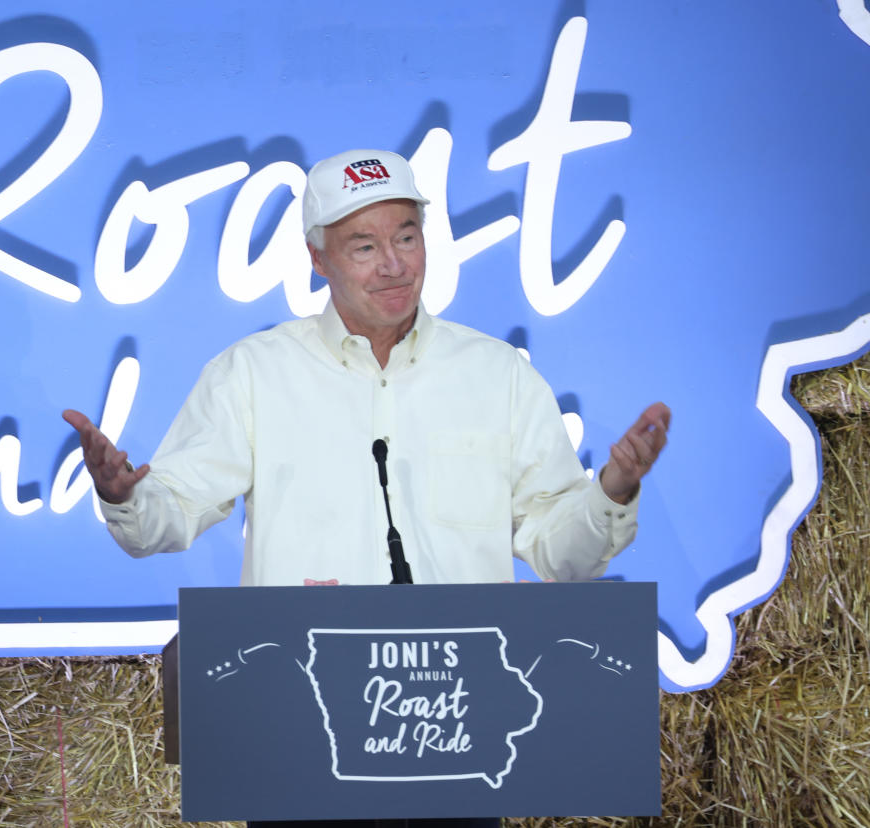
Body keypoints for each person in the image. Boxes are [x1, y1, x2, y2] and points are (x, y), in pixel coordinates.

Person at [63, 149, 669, 828]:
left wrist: (612, 490)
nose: (394, 264)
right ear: (317, 260)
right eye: (365, 245)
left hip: (458, 735)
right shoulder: (253, 375)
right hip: (302, 739)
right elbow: (163, 518)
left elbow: (563, 555)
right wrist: (124, 494)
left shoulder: (499, 376)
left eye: (407, 237)